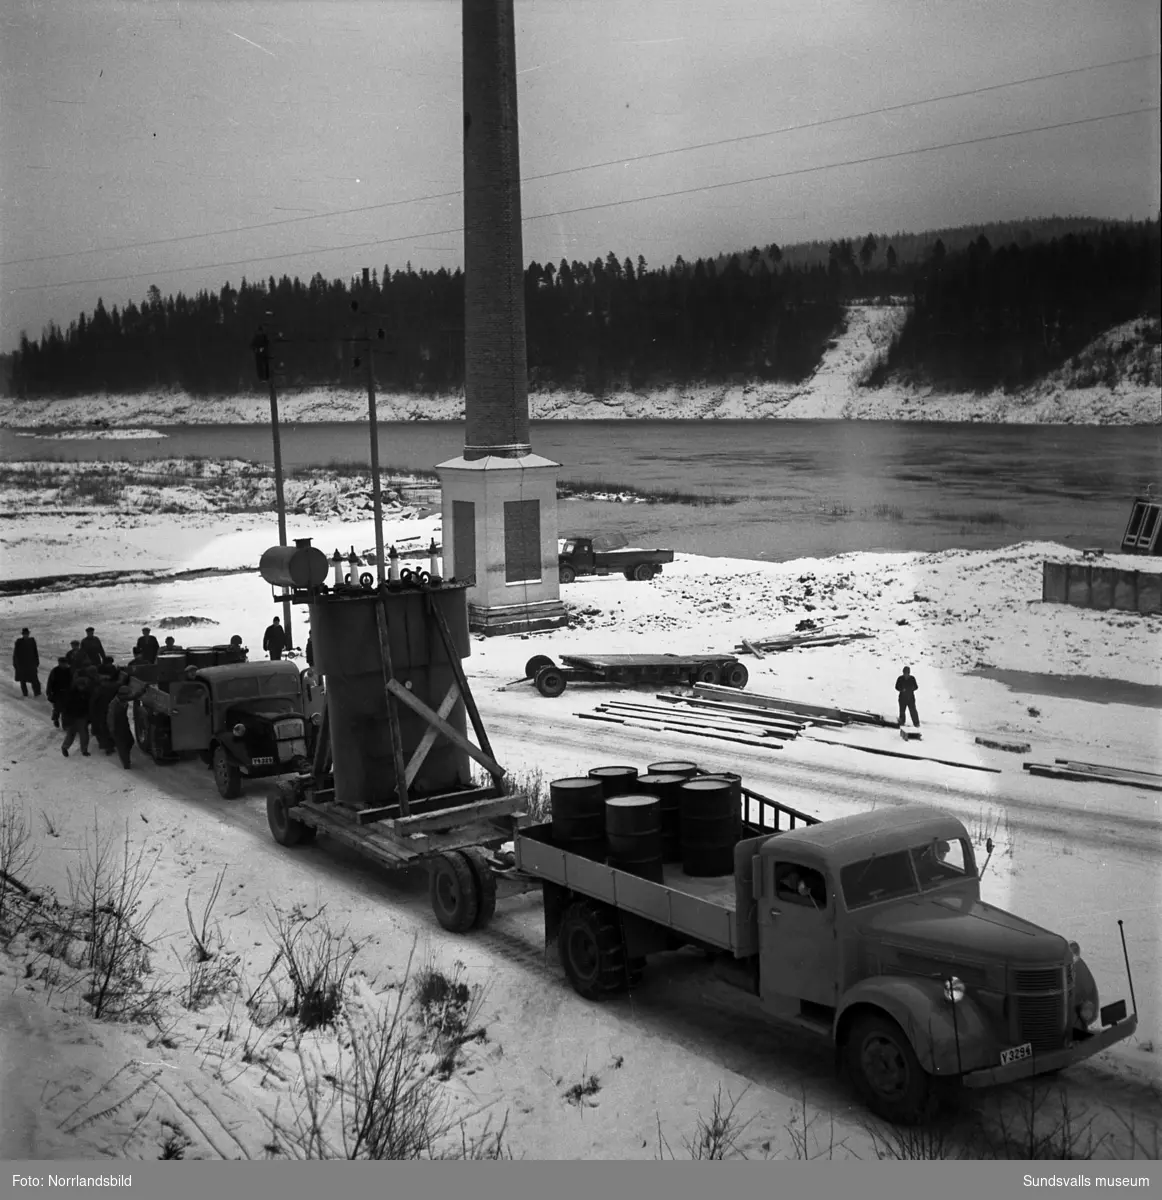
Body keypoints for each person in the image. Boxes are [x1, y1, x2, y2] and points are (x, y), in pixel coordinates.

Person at [60, 674, 93, 757]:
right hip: (72, 717)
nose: (82, 687)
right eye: (80, 685)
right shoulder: (70, 694)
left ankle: (84, 750)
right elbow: (65, 708)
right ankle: (65, 747)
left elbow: (88, 706)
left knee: (84, 734)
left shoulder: (86, 694)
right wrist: (65, 719)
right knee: (71, 734)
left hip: (82, 717)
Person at [89, 668, 121, 755]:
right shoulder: (114, 686)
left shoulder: (99, 688)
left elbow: (93, 702)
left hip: (101, 711)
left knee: (103, 728)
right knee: (111, 727)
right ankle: (111, 744)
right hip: (111, 710)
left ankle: (107, 746)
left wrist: (91, 713)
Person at [107, 686, 135, 769]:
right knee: (122, 746)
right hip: (117, 728)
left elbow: (134, 696)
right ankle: (126, 764)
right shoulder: (113, 705)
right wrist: (112, 730)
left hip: (124, 725)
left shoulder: (123, 700)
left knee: (130, 741)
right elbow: (110, 718)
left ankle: (126, 755)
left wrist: (143, 690)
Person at [12, 628, 41, 697]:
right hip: (22, 664)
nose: (26, 635)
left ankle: (37, 694)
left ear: (28, 634)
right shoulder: (19, 642)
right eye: (24, 634)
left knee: (34, 679)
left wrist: (37, 662)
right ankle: (25, 694)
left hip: (31, 664)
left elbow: (35, 652)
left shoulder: (32, 641)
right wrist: (16, 664)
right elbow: (16, 654)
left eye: (27, 634)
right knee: (23, 680)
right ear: (22, 634)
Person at [46, 656, 72, 728]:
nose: (63, 665)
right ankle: (55, 719)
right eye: (62, 663)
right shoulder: (55, 671)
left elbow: (73, 682)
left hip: (67, 693)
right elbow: (50, 683)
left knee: (66, 710)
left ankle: (65, 724)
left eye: (64, 663)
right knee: (57, 709)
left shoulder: (69, 671)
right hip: (57, 693)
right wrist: (49, 693)